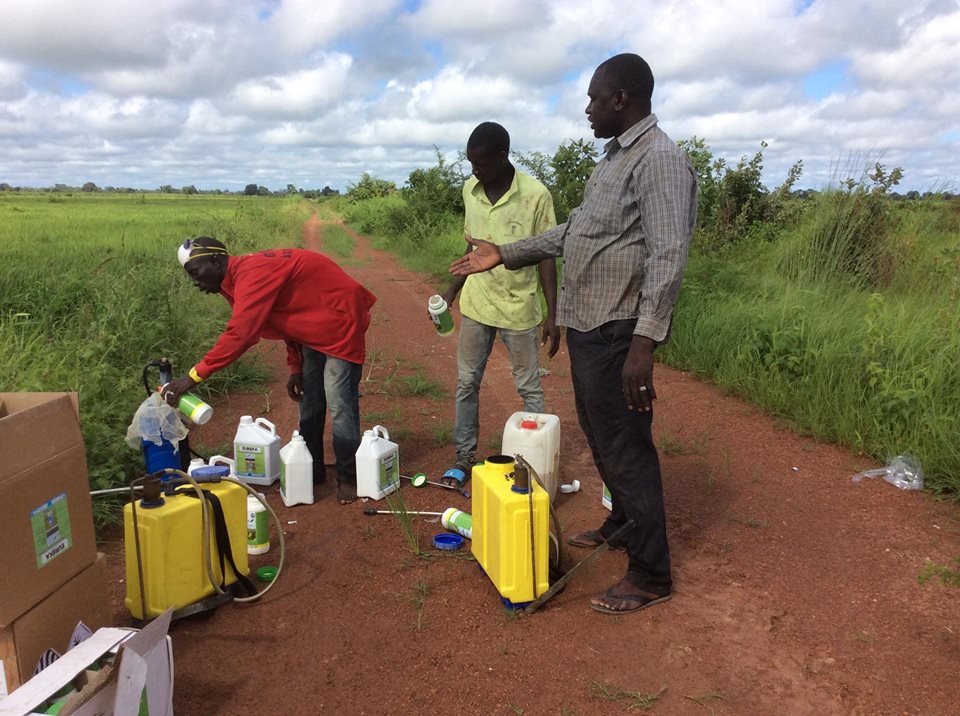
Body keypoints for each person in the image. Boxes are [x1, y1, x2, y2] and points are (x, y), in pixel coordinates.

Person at [450, 54, 697, 614]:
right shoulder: (614, 159)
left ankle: (652, 574)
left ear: (621, 99)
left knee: (626, 447)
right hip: (589, 325)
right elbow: (574, 232)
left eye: (593, 98)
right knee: (598, 429)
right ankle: (622, 524)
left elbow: (668, 255)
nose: (587, 108)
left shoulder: (659, 160)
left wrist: (645, 342)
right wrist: (503, 253)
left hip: (619, 330)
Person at [163, 236, 377, 505]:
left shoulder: (251, 275)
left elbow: (241, 334)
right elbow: (285, 316)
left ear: (216, 261)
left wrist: (192, 377)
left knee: (338, 400)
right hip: (313, 325)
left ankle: (349, 477)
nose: (196, 282)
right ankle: (311, 469)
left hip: (340, 318)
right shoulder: (237, 281)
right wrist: (295, 367)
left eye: (196, 272)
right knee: (309, 401)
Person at [439, 121, 560, 485]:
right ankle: (463, 458)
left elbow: (547, 254)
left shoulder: (536, 195)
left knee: (528, 388)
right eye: (470, 163)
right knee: (466, 383)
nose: (474, 170)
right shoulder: (470, 190)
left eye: (481, 163)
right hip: (476, 306)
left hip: (518, 308)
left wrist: (553, 314)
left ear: (503, 156)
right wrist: (452, 291)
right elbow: (473, 248)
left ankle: (534, 465)